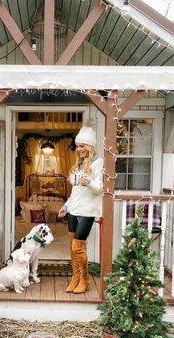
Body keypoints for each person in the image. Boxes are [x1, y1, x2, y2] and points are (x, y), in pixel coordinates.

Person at [58, 119, 103, 294]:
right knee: (73, 248)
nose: (80, 149)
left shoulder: (97, 163)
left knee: (78, 247)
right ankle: (75, 277)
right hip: (73, 211)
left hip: (87, 211)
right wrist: (66, 206)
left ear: (90, 146)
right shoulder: (77, 164)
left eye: (83, 146)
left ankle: (85, 279)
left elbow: (100, 189)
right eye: (78, 146)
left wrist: (89, 182)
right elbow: (74, 193)